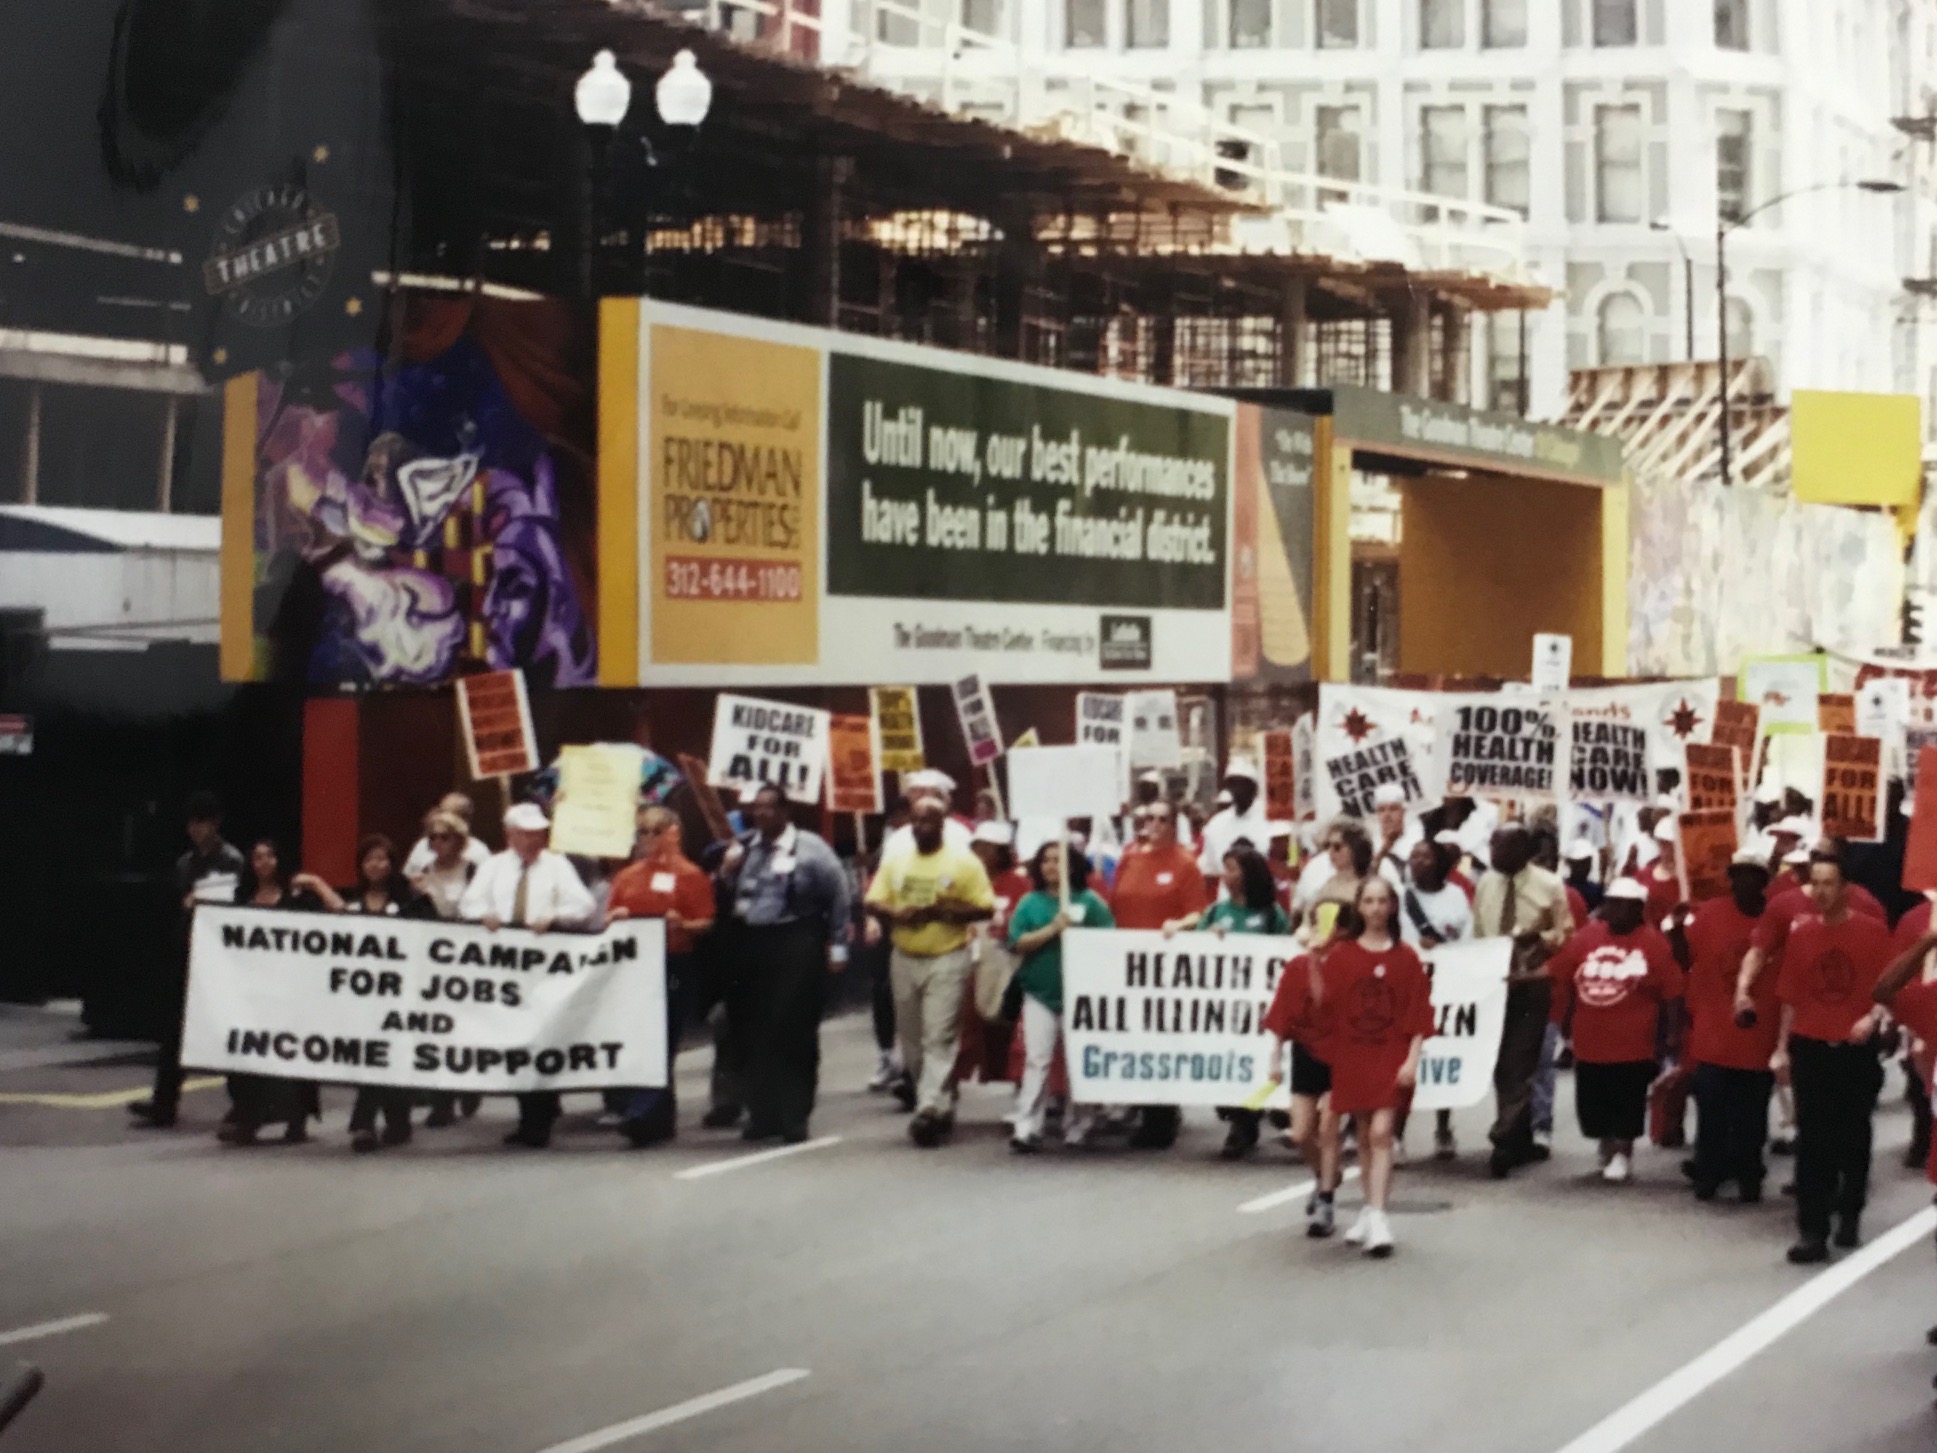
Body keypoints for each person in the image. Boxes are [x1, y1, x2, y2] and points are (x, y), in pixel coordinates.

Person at [1270, 876, 1433, 1257]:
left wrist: (1412, 1059)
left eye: (1382, 901)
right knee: (1363, 1135)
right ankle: (1368, 1207)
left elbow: (1417, 1014)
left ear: (1392, 907)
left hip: (1390, 1056)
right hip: (1354, 1057)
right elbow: (1323, 1001)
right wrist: (1314, 958)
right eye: (1369, 902)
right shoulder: (1343, 957)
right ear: (1360, 908)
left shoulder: (1406, 957)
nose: (1376, 909)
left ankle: (1378, 1217)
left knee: (1381, 1132)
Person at [1754, 849, 1895, 1264]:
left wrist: (1872, 1018)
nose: (1820, 891)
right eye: (1814, 883)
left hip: (1854, 1049)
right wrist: (1781, 1048)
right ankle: (1812, 1230)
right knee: (1812, 1141)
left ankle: (1849, 1209)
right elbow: (1790, 998)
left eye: (1829, 883)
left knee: (1852, 1136)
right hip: (1811, 1047)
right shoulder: (1801, 934)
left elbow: (1888, 988)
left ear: (1845, 888)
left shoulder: (1871, 933)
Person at [715, 785, 852, 1144]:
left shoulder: (812, 849)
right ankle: (763, 1113)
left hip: (796, 940)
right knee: (751, 1030)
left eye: (768, 808)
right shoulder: (744, 847)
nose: (761, 815)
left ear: (785, 811)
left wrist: (838, 946)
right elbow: (726, 894)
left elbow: (839, 897)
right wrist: (727, 871)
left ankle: (794, 1115)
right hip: (751, 943)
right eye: (756, 809)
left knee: (792, 1028)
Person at [458, 801, 597, 1149]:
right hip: (507, 966)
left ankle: (540, 1114)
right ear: (511, 835)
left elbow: (584, 906)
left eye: (538, 833)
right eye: (527, 833)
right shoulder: (493, 866)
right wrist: (486, 914)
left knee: (542, 1034)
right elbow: (468, 903)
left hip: (545, 963)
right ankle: (532, 1112)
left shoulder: (557, 865)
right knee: (517, 1036)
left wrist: (553, 917)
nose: (535, 839)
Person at [865, 798, 996, 1147]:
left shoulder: (964, 862)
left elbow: (985, 907)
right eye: (916, 821)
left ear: (942, 824)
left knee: (939, 1035)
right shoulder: (896, 859)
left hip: (947, 957)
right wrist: (895, 911)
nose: (921, 827)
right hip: (905, 956)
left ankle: (927, 1108)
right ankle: (942, 1096)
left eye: (929, 821)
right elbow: (872, 900)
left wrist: (946, 909)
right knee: (911, 1040)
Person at [292, 834, 431, 1153]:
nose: (376, 865)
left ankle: (378, 1120)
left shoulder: (411, 900)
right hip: (362, 1000)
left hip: (400, 996)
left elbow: (431, 934)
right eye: (370, 859)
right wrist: (314, 884)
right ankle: (375, 1121)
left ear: (393, 864)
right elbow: (336, 918)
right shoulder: (354, 899)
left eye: (382, 859)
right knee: (373, 1056)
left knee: (390, 1056)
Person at [1546, 878, 1683, 1183]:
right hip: (1590, 1041)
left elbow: (1672, 991)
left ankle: (1623, 1152)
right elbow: (1562, 972)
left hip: (1633, 1043)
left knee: (1627, 1100)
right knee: (1593, 1103)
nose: (1613, 910)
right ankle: (1606, 1146)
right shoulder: (1587, 937)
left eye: (1622, 904)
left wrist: (1672, 1034)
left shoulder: (1653, 943)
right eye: (1611, 902)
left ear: (1637, 909)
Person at [130, 792, 245, 1130]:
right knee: (175, 1030)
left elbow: (229, 900)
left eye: (203, 823)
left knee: (227, 1030)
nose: (196, 830)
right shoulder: (185, 863)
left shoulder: (232, 860)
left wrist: (202, 898)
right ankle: (164, 1103)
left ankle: (243, 1105)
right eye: (192, 823)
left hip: (220, 958)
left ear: (215, 824)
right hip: (188, 952)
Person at [1169, 846, 1290, 1160]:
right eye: (1224, 868)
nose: (1226, 875)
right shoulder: (1217, 911)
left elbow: (1285, 954)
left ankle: (1252, 1119)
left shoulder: (1271, 914)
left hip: (1257, 1005)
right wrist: (1207, 937)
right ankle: (1239, 1119)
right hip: (1222, 1007)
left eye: (1233, 868)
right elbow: (1192, 951)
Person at [604, 806, 715, 1146]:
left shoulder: (690, 875)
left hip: (673, 962)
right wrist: (616, 916)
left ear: (673, 833)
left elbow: (707, 921)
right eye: (643, 833)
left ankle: (642, 1110)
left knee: (663, 1037)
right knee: (643, 1036)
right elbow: (609, 915)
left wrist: (682, 924)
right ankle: (657, 1117)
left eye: (656, 832)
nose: (648, 840)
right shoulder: (627, 876)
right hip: (636, 966)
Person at [1105, 798, 1209, 1150]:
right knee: (1134, 1036)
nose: (1155, 824)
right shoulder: (1129, 858)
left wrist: (1178, 924)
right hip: (1127, 962)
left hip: (1165, 967)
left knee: (1160, 1038)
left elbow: (1199, 913)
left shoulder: (1185, 863)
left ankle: (1161, 1115)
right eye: (1149, 817)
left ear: (1174, 824)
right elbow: (1113, 904)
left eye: (1163, 819)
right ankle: (1140, 1102)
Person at [1673, 849, 1775, 1202]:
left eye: (1752, 875)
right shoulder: (1711, 913)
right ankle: (1709, 1172)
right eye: (1737, 875)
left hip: (1758, 1036)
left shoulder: (1776, 919)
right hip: (1713, 1034)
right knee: (1711, 1110)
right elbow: (1686, 954)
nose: (1743, 883)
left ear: (1764, 881)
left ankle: (1749, 1175)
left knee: (1752, 1115)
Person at [1474, 823, 1575, 1178]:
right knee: (1502, 1061)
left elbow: (1566, 933)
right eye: (1492, 844)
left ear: (1523, 849)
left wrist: (1539, 938)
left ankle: (1503, 1136)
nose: (1493, 852)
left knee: (1521, 1058)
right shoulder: (1486, 883)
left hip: (1531, 983)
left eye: (1501, 846)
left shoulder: (1549, 885)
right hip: (1495, 982)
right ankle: (1517, 1136)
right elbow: (1478, 931)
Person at [1007, 844, 1116, 1152]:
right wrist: (1052, 929)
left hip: (1080, 995)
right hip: (1040, 993)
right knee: (1037, 1060)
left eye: (1058, 861)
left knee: (1077, 1062)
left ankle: (1079, 1124)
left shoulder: (1091, 903)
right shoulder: (1029, 904)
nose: (1051, 866)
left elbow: (1109, 943)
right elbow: (1017, 942)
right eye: (1046, 861)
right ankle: (1027, 1125)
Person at [221, 839, 326, 1146]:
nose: (263, 862)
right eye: (257, 857)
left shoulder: (296, 898)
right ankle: (248, 1115)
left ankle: (297, 1117)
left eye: (269, 856)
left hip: (289, 990)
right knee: (246, 1054)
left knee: (293, 1054)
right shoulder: (243, 899)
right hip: (251, 991)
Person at [1397, 837, 1472, 1160]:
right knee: (1402, 1062)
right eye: (1413, 858)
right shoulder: (1401, 899)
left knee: (1443, 1054)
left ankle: (1443, 1126)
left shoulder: (1456, 897)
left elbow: (1467, 941)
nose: (1417, 863)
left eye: (1425, 858)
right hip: (1408, 989)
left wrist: (1441, 950)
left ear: (1439, 863)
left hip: (1445, 989)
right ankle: (1396, 1133)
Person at [1294, 817, 1373, 942]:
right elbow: (1308, 922)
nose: (1330, 852)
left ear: (1355, 849)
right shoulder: (1327, 884)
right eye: (1327, 846)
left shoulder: (1368, 887)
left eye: (1337, 847)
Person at [1198, 761, 1271, 878]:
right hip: (1227, 893)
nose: (1238, 789)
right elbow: (1208, 867)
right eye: (1233, 784)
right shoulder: (1217, 824)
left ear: (1254, 788)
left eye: (1243, 784)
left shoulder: (1271, 819)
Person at [403, 792, 493, 877]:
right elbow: (407, 878)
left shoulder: (478, 852)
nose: (441, 817)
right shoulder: (423, 845)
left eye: (448, 814)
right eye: (441, 812)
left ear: (464, 820)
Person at [1371, 783, 1421, 890]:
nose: (1387, 815)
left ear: (1403, 811)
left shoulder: (1418, 839)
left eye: (1393, 809)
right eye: (1381, 810)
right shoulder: (1370, 845)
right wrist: (1384, 849)